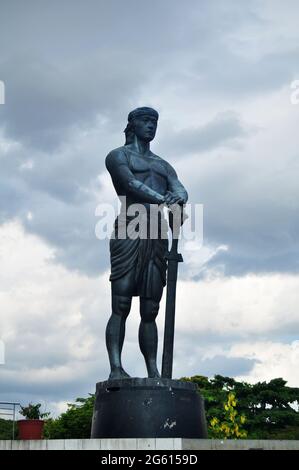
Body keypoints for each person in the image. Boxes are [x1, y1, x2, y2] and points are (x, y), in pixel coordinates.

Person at [105, 107, 188, 379]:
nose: (151, 126)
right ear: (132, 124)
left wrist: (178, 199)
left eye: (155, 121)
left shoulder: (163, 165)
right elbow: (128, 183)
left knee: (151, 307)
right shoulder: (118, 156)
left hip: (157, 232)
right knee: (121, 302)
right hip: (129, 227)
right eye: (146, 121)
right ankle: (116, 368)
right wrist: (164, 199)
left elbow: (179, 188)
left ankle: (153, 370)